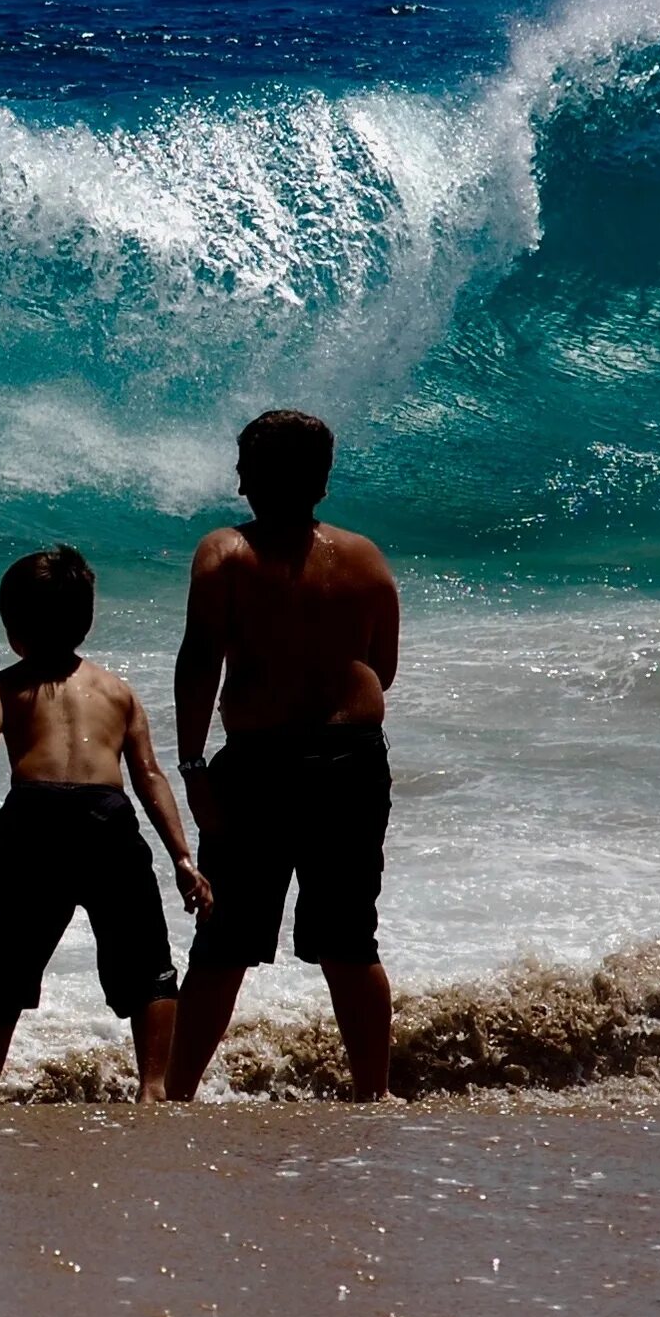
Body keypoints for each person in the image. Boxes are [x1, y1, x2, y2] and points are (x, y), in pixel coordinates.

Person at [164, 409, 402, 1101]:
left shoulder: (224, 553)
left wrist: (191, 765)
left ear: (255, 476)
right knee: (349, 940)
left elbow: (199, 660)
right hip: (352, 760)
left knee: (223, 944)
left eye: (244, 465)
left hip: (261, 766)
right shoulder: (365, 557)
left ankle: (175, 1096)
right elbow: (380, 669)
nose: (237, 479)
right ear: (323, 479)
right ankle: (373, 1094)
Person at [0, 546, 211, 1103]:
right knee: (148, 965)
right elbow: (149, 776)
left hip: (33, 818)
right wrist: (183, 858)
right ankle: (153, 1089)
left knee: (5, 969)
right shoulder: (117, 691)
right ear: (85, 621)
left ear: (13, 628)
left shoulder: (1, 686)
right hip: (105, 818)